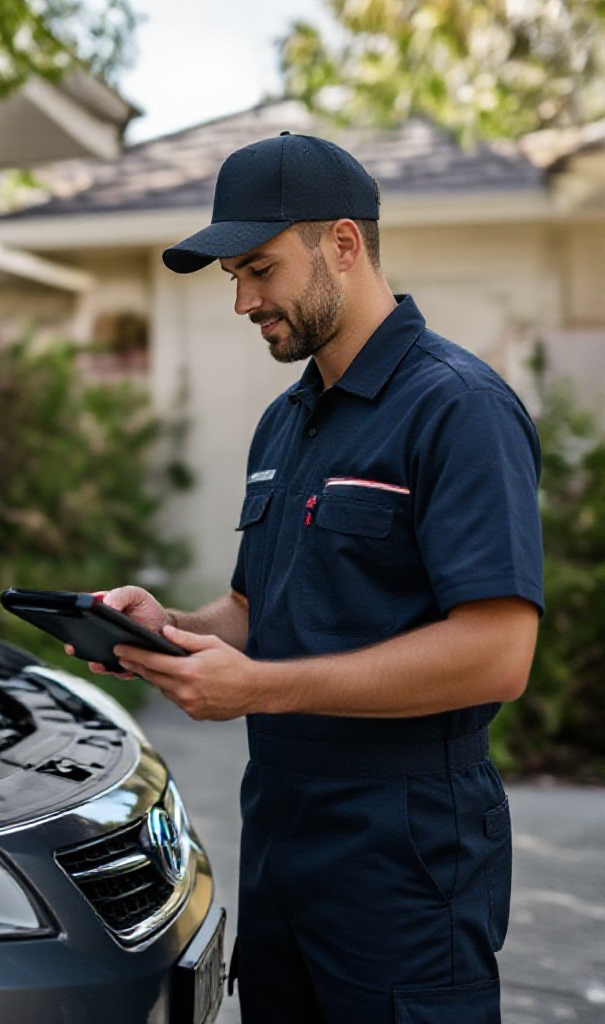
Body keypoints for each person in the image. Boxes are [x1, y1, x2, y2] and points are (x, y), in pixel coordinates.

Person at [80, 133, 543, 1023]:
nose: (246, 301)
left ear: (343, 243)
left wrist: (259, 690)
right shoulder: (284, 424)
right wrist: (166, 625)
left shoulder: (458, 409)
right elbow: (257, 610)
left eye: (261, 269)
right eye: (234, 280)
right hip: (282, 843)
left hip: (405, 855)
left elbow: (498, 653)